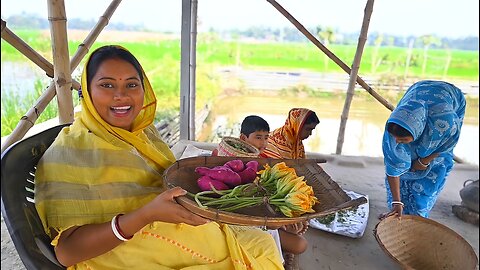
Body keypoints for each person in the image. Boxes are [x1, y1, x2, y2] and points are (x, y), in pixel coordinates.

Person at [34, 45, 284, 269]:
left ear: (144, 89)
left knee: (262, 243)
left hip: (176, 235)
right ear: (87, 92)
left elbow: (171, 186)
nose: (121, 95)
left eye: (131, 84)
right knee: (260, 249)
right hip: (119, 253)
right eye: (107, 85)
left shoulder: (143, 135)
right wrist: (145, 215)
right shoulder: (67, 154)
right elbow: (67, 253)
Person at [380, 80, 466, 219]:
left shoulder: (445, 125)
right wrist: (397, 201)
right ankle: (397, 209)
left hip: (448, 95)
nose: (396, 141)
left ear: (417, 131)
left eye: (403, 140)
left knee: (428, 180)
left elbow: (447, 145)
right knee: (401, 164)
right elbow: (393, 167)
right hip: (418, 90)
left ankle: (417, 215)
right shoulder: (393, 127)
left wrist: (424, 161)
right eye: (395, 138)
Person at [239, 115, 308, 256]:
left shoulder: (264, 161)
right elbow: (248, 207)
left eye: (266, 137)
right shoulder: (237, 162)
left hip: (263, 216)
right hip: (245, 220)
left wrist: (286, 222)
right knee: (300, 245)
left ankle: (278, 230)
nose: (264, 142)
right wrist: (279, 224)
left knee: (298, 231)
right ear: (243, 138)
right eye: (258, 137)